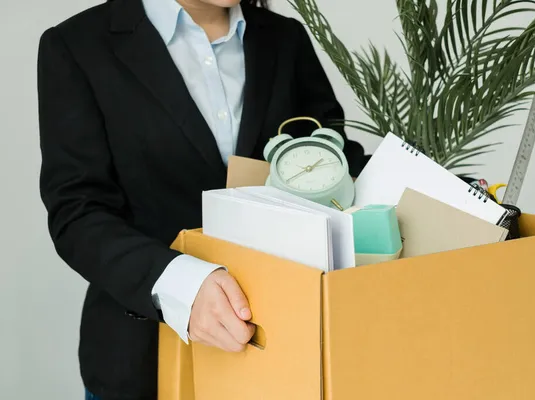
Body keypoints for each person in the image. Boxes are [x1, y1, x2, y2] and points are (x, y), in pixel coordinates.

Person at [37, 0, 367, 398]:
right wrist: (183, 284)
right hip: (144, 358)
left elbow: (331, 161)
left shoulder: (284, 38)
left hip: (285, 351)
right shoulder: (77, 45)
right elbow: (78, 213)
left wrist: (434, 182)